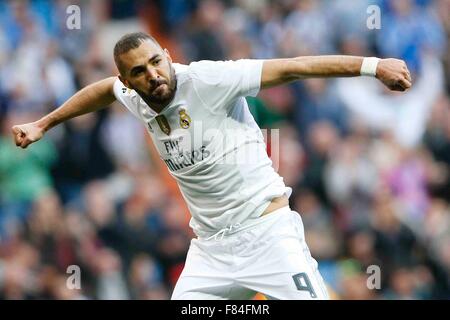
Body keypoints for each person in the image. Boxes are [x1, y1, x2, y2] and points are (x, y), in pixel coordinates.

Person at [11, 32, 412, 300]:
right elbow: (100, 91)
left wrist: (372, 65)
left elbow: (292, 66)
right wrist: (44, 123)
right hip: (211, 252)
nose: (153, 75)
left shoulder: (209, 80)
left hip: (267, 234)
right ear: (127, 80)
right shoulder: (132, 94)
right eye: (139, 72)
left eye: (156, 62)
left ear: (168, 57)